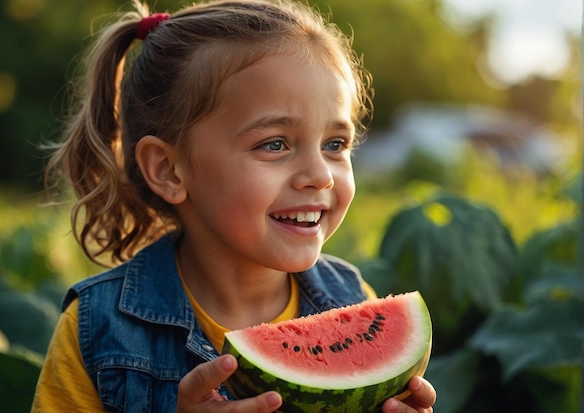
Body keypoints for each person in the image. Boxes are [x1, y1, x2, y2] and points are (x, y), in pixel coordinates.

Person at [32, 0, 436, 411]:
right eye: (275, 144)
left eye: (335, 144)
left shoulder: (354, 299)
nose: (321, 175)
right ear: (169, 170)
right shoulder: (95, 328)